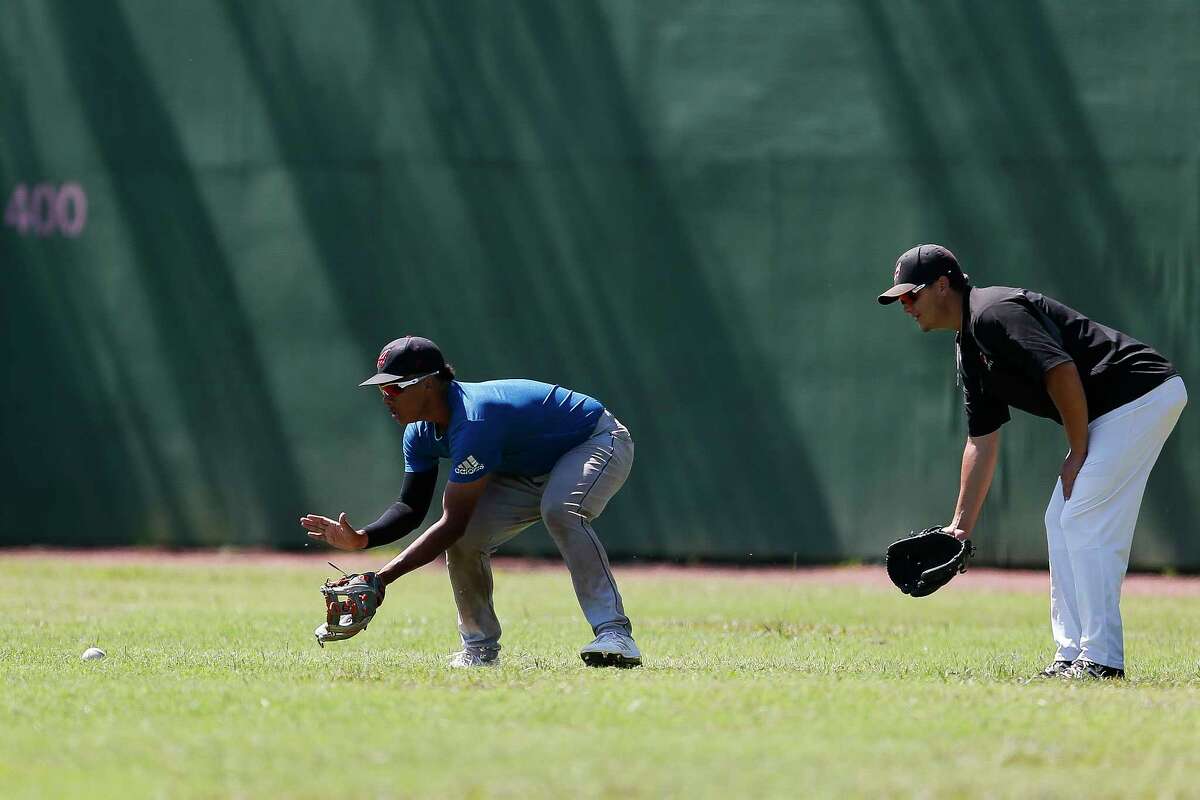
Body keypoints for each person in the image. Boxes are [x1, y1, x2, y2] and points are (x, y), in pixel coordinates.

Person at [878, 244, 1186, 679]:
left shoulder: (993, 312)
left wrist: (1077, 452)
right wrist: (960, 527)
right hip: (1112, 409)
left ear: (942, 285)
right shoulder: (969, 344)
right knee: (1060, 519)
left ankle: (1101, 660)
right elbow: (981, 441)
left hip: (1140, 394)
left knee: (1083, 516)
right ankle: (1072, 654)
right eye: (899, 300)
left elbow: (1060, 372)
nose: (905, 306)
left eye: (910, 296)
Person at [300, 336, 640, 668]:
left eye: (394, 388)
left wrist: (383, 578)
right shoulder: (419, 433)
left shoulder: (474, 419)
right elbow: (411, 508)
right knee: (465, 540)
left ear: (429, 384)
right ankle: (479, 648)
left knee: (560, 510)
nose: (386, 398)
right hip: (525, 468)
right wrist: (363, 538)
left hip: (595, 441)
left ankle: (614, 633)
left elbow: (452, 520)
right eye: (381, 390)